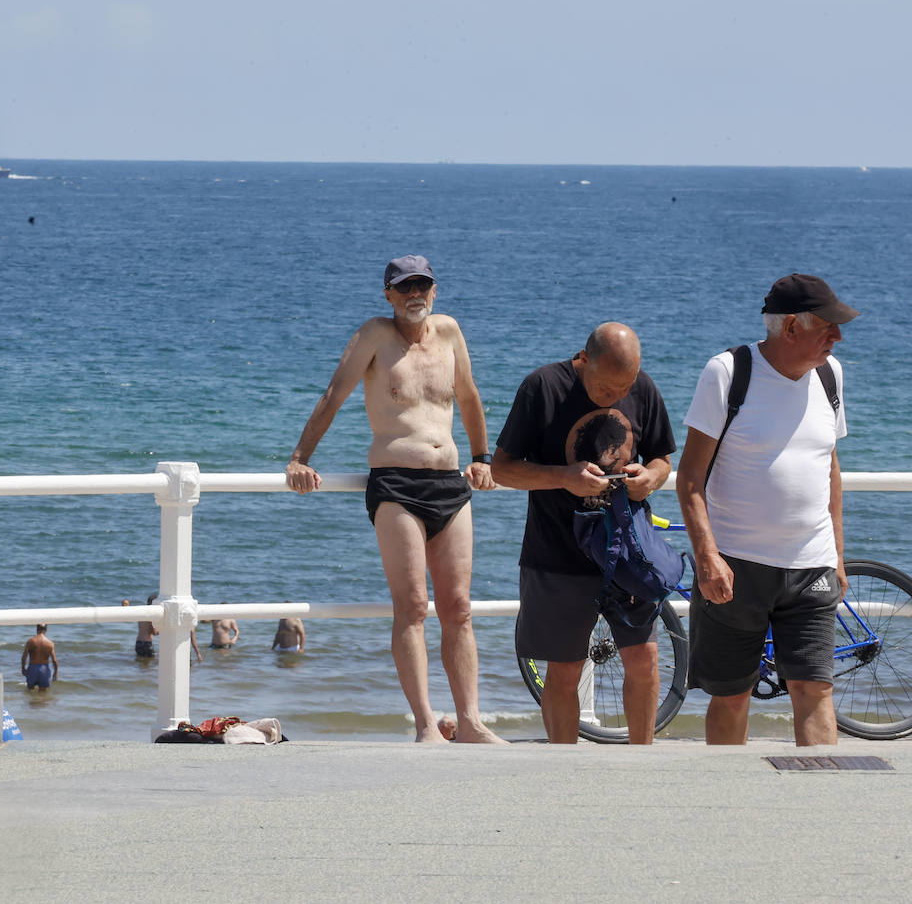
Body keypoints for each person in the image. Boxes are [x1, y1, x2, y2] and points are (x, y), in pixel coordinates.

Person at [286, 254, 504, 744]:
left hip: (451, 483)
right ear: (388, 294)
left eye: (423, 286)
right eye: (405, 288)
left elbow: (468, 396)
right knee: (411, 606)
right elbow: (332, 396)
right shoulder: (373, 336)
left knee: (460, 608)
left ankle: (469, 722)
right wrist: (300, 458)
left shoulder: (449, 332)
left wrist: (482, 457)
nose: (415, 295)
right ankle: (427, 724)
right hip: (397, 487)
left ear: (435, 290)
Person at [675, 274, 859, 745]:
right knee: (732, 695)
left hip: (811, 566)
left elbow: (829, 470)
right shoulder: (728, 372)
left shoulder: (829, 375)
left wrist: (837, 554)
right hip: (736, 566)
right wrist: (707, 556)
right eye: (829, 327)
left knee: (815, 689)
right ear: (791, 328)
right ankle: (732, 804)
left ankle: (818, 804)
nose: (837, 337)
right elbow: (690, 478)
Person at [491, 322, 675, 744]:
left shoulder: (642, 387)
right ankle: (564, 766)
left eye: (623, 387)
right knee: (565, 668)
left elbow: (662, 457)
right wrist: (563, 477)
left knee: (645, 659)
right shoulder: (542, 387)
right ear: (583, 360)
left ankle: (640, 761)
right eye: (606, 388)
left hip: (628, 550)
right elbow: (502, 469)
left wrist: (650, 477)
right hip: (558, 552)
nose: (616, 396)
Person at [21, 624, 59, 690]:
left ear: (37, 629)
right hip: (44, 669)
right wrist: (55, 672)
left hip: (32, 668)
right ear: (46, 630)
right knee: (43, 693)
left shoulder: (31, 641)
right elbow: (54, 660)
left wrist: (23, 668)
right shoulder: (50, 643)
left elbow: (24, 657)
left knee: (30, 691)